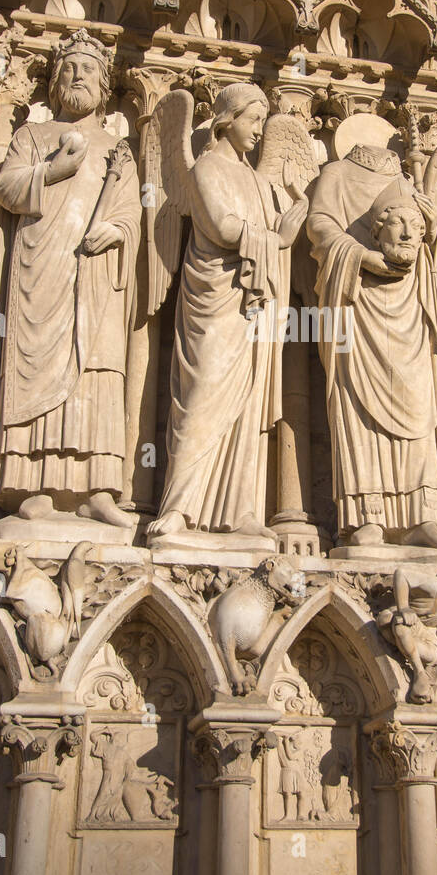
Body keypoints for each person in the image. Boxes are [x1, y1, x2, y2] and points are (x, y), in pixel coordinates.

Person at [0, 30, 140, 526]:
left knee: (99, 370)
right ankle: (30, 486)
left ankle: (97, 489)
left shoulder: (119, 149)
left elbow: (134, 211)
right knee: (36, 368)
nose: (76, 75)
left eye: (87, 69)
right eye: (68, 68)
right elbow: (5, 185)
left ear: (104, 84)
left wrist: (114, 230)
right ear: (52, 82)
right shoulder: (34, 136)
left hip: (96, 275)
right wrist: (51, 170)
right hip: (40, 270)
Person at [150, 84, 307, 539]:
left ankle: (240, 511)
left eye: (261, 120)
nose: (259, 130)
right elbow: (221, 227)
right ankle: (178, 509)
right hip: (214, 301)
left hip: (251, 307)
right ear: (227, 119)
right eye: (253, 120)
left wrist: (296, 212)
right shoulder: (206, 169)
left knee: (246, 403)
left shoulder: (258, 181)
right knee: (200, 398)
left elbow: (277, 231)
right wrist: (276, 239)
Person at [308, 163, 437, 550]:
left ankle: (423, 516)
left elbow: (432, 247)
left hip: (410, 309)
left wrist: (434, 229)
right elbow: (318, 226)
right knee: (358, 411)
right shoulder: (338, 173)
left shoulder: (407, 182)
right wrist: (359, 257)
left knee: (421, 409)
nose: (407, 231)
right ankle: (366, 517)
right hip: (356, 305)